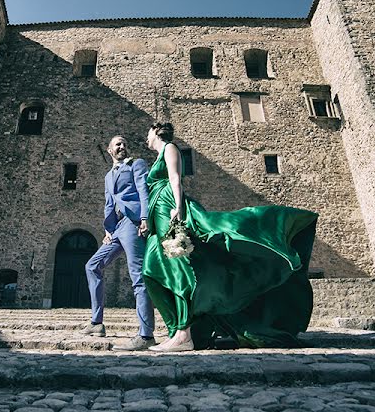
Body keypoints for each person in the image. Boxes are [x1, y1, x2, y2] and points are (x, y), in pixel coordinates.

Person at [142, 122, 318, 352]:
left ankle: (183, 333)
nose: (145, 137)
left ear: (156, 131)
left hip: (169, 208)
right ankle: (179, 330)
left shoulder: (170, 148)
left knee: (180, 268)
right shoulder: (157, 157)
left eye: (148, 132)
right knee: (152, 268)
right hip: (158, 212)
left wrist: (178, 209)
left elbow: (175, 179)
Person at [82, 135, 157, 350]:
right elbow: (108, 203)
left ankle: (146, 335)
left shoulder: (136, 164)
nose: (122, 146)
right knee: (92, 266)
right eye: (118, 144)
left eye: (124, 143)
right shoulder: (108, 176)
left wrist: (144, 218)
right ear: (109, 150)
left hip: (133, 224)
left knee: (138, 278)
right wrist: (108, 229)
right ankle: (96, 323)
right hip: (117, 228)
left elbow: (144, 190)